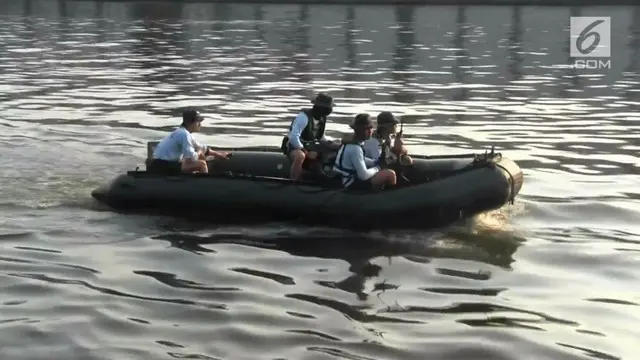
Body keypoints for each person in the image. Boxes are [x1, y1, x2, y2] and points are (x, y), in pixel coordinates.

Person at [147, 109, 230, 175]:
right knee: (202, 164)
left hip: (163, 163)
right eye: (198, 121)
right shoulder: (184, 134)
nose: (200, 124)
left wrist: (218, 154)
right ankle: (205, 186)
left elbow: (201, 147)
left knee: (194, 159)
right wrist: (200, 152)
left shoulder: (184, 132)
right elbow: (192, 157)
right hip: (161, 166)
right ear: (191, 122)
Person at [282, 93, 340, 181]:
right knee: (300, 156)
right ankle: (294, 181)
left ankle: (322, 176)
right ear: (320, 107)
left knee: (331, 150)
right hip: (295, 146)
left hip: (310, 146)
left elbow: (321, 137)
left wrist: (331, 143)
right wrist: (305, 151)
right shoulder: (303, 117)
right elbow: (293, 137)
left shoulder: (322, 118)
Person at [333, 113, 397, 190]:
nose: (370, 132)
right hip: (350, 182)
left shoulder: (354, 144)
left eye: (371, 128)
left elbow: (361, 159)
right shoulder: (355, 148)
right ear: (358, 131)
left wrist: (374, 162)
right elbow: (363, 176)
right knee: (389, 174)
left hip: (347, 178)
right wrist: (378, 168)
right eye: (366, 129)